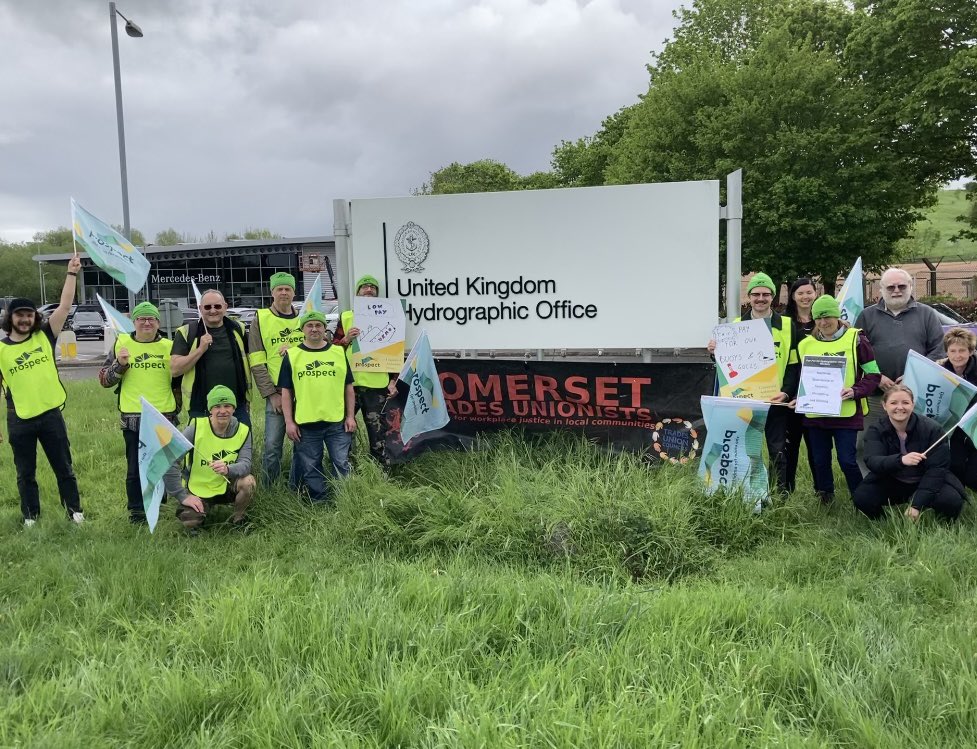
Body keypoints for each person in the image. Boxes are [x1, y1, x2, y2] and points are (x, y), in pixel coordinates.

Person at [0, 254, 84, 526]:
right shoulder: (1, 349)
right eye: (19, 315)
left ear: (34, 317)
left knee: (64, 468)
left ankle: (75, 513)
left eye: (29, 315)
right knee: (25, 472)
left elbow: (65, 305)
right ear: (10, 317)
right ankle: (30, 517)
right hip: (19, 418)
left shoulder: (45, 334)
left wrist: (71, 274)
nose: (24, 320)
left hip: (50, 415)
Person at [708, 271, 799, 491]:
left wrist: (786, 393)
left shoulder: (787, 325)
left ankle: (779, 497)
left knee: (778, 451)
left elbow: (794, 365)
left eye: (765, 294)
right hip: (746, 401)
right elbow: (727, 364)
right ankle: (750, 495)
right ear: (749, 297)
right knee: (749, 451)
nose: (760, 298)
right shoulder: (735, 325)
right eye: (756, 294)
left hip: (776, 401)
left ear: (773, 296)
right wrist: (714, 352)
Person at [854, 268, 945, 469]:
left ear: (910, 287)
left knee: (915, 441)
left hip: (914, 395)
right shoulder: (866, 316)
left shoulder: (926, 314)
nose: (896, 290)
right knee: (867, 441)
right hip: (875, 395)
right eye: (891, 286)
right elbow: (856, 352)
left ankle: (911, 481)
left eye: (902, 286)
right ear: (881, 289)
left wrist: (913, 378)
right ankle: (868, 481)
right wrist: (876, 377)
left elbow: (938, 351)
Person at [98, 301, 180, 524]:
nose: (146, 322)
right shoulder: (121, 343)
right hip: (133, 418)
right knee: (135, 468)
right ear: (133, 322)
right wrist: (120, 365)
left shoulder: (170, 346)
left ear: (158, 322)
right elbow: (105, 380)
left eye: (151, 318)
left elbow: (179, 380)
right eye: (141, 318)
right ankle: (137, 511)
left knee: (163, 465)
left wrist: (178, 407)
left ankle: (158, 502)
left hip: (164, 415)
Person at [796, 295, 881, 503]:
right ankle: (826, 497)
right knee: (820, 460)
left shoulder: (856, 339)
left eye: (828, 317)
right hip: (816, 413)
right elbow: (802, 378)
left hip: (846, 413)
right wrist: (798, 397)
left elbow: (873, 375)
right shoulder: (806, 344)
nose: (824, 323)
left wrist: (855, 390)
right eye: (819, 318)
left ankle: (861, 499)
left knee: (847, 460)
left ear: (837, 316)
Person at [854, 384, 965, 522]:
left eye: (905, 402)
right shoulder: (876, 429)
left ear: (912, 405)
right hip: (893, 480)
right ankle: (884, 524)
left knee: (951, 501)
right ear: (884, 405)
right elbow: (873, 461)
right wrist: (900, 460)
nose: (900, 407)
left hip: (925, 479)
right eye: (893, 403)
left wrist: (916, 505)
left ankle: (942, 527)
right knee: (862, 497)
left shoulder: (932, 429)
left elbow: (937, 470)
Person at [280, 310, 356, 504]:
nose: (314, 329)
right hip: (306, 423)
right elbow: (286, 392)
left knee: (341, 463)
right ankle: (319, 502)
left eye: (318, 325)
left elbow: (348, 387)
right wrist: (289, 422)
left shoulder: (338, 352)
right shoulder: (292, 355)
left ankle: (344, 500)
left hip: (337, 422)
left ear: (324, 329)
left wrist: (350, 416)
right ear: (303, 329)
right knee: (311, 466)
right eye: (310, 325)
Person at [163, 385, 256, 533]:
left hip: (226, 484)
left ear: (233, 408)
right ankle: (199, 513)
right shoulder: (196, 427)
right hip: (198, 486)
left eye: (227, 406)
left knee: (249, 482)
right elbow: (169, 459)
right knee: (190, 520)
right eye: (217, 406)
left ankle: (239, 518)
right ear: (210, 409)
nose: (222, 411)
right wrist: (182, 495)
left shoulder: (243, 430)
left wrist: (228, 469)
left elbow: (246, 464)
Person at [332, 274, 397, 465]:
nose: (368, 290)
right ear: (357, 292)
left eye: (372, 287)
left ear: (377, 293)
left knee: (378, 434)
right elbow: (331, 348)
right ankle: (346, 470)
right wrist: (346, 340)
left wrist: (393, 380)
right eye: (364, 287)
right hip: (348, 386)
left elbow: (395, 352)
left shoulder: (390, 315)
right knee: (345, 432)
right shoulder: (346, 317)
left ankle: (381, 472)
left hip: (376, 387)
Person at [247, 272, 304, 484]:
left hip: (305, 393)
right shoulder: (260, 319)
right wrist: (271, 394)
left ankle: (300, 485)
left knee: (304, 443)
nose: (283, 293)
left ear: (293, 292)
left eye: (287, 289)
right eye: (279, 289)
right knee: (272, 445)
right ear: (272, 292)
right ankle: (269, 487)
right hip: (278, 394)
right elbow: (256, 361)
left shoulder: (304, 318)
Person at [171, 289, 251, 427]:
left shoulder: (238, 329)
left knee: (240, 447)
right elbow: (175, 369)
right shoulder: (186, 332)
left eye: (217, 306)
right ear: (200, 309)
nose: (213, 310)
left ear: (225, 307)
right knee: (204, 448)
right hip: (201, 408)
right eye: (207, 307)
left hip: (236, 406)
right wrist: (200, 350)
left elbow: (256, 358)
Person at [782, 277, 818, 491]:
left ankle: (822, 490)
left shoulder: (824, 322)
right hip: (792, 398)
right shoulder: (785, 323)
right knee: (789, 447)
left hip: (817, 395)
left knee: (817, 447)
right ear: (793, 297)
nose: (805, 297)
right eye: (800, 293)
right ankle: (785, 491)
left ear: (815, 293)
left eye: (809, 292)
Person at [941, 326, 977, 490]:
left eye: (962, 350)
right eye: (952, 350)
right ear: (947, 352)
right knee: (955, 467)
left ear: (971, 351)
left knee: (973, 478)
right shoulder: (940, 370)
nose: (957, 355)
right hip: (954, 426)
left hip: (974, 425)